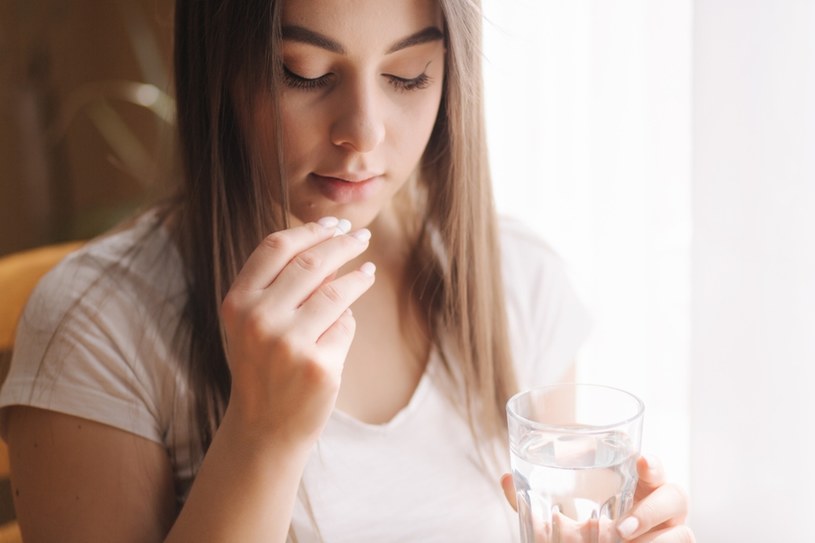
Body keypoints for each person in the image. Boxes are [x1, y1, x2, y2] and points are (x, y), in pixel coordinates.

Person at [0, 1, 694, 541]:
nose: (362, 132)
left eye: (407, 75)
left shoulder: (520, 282)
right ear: (220, 67)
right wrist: (262, 433)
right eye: (303, 71)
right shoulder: (97, 326)